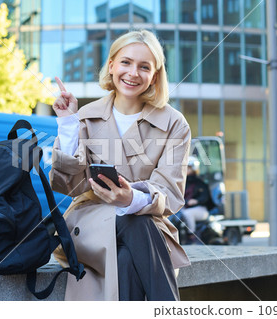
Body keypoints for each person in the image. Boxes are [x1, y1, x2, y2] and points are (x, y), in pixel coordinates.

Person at [49, 30, 191, 301]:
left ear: (155, 75)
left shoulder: (174, 124)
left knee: (127, 255)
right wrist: (67, 124)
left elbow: (170, 192)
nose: (133, 73)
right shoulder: (86, 117)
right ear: (112, 65)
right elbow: (70, 186)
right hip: (90, 225)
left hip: (147, 229)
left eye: (144, 66)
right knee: (133, 222)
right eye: (126, 62)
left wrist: (131, 199)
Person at [177, 155, 211, 243]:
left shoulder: (201, 183)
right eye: (185, 168)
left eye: (188, 168)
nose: (186, 170)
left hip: (200, 209)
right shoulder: (182, 182)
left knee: (187, 214)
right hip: (184, 207)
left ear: (194, 168)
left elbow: (205, 197)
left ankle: (191, 235)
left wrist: (196, 201)